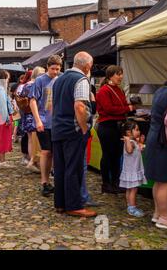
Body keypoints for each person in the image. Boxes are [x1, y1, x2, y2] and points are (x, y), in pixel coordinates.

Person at [51, 52, 97, 218]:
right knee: (74, 168)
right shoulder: (81, 80)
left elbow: (52, 105)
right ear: (86, 66)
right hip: (73, 129)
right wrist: (84, 127)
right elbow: (79, 106)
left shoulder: (58, 80)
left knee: (60, 168)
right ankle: (74, 205)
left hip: (58, 128)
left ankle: (61, 203)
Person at [145, 66, 167, 230]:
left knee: (159, 182)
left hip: (156, 139)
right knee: (166, 183)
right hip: (166, 143)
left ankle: (158, 214)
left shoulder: (161, 91)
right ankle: (164, 218)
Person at [96, 66, 135, 194]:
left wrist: (129, 107)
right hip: (107, 126)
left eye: (121, 74)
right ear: (110, 75)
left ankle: (115, 182)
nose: (121, 77)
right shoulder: (104, 91)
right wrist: (127, 109)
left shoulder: (119, 89)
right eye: (118, 74)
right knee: (108, 155)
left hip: (118, 126)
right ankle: (106, 184)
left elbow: (121, 105)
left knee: (117, 155)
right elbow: (109, 109)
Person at [29, 55, 62, 197]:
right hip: (44, 120)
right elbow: (32, 101)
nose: (55, 71)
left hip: (58, 122)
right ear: (48, 67)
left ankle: (54, 181)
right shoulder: (40, 80)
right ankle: (44, 182)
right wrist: (37, 120)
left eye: (57, 69)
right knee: (46, 152)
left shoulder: (61, 79)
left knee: (56, 153)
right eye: (53, 68)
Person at [119, 121, 147, 217]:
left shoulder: (134, 141)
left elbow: (139, 150)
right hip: (132, 171)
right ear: (128, 133)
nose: (138, 132)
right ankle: (132, 207)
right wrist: (127, 140)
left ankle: (129, 205)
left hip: (133, 170)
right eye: (136, 130)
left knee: (130, 189)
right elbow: (130, 150)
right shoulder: (130, 142)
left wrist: (141, 142)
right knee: (133, 190)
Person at [20, 67, 44, 173]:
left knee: (30, 139)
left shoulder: (26, 85)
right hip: (34, 114)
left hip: (26, 114)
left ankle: (32, 160)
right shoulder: (35, 85)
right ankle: (34, 162)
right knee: (36, 140)